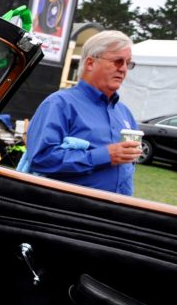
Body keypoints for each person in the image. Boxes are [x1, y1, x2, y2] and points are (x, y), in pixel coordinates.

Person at [21, 30, 142, 195]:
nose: (123, 69)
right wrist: (104, 155)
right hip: (71, 213)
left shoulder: (124, 113)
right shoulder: (59, 104)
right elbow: (41, 158)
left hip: (116, 213)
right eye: (117, 61)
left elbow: (126, 168)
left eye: (128, 63)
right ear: (91, 63)